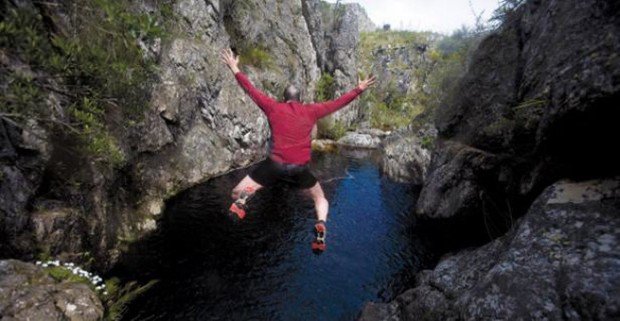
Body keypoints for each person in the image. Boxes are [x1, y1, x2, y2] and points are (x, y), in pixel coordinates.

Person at [220, 48, 376, 252]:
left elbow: (251, 90)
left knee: (237, 191)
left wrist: (234, 68)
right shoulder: (312, 111)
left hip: (274, 165)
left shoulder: (273, 107)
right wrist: (359, 88)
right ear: (300, 99)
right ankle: (321, 225)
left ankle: (244, 198)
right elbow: (338, 103)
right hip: (299, 169)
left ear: (284, 99)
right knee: (320, 198)